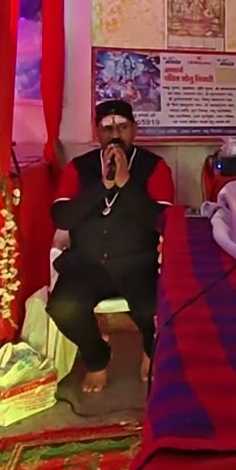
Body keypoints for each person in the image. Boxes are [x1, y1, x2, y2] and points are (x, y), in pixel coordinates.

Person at [48, 100, 175, 393]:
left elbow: (162, 221)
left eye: (123, 127)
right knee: (63, 308)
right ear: (97, 132)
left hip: (138, 264)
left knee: (155, 308)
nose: (115, 134)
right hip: (87, 264)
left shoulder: (155, 166)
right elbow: (62, 217)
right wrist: (102, 187)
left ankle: (151, 351)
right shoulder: (79, 167)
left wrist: (126, 183)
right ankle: (97, 358)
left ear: (135, 130)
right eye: (108, 129)